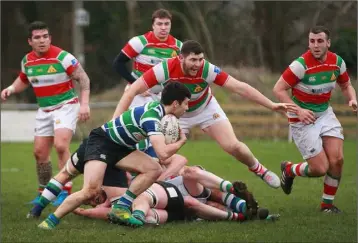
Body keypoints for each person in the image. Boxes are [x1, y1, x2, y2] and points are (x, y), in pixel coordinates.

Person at [112, 40, 298, 189]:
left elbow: (239, 87)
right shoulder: (166, 68)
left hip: (206, 109)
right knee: (157, 156)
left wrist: (271, 105)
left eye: (200, 59)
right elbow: (131, 90)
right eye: (193, 60)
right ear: (180, 58)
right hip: (175, 115)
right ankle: (135, 187)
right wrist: (115, 123)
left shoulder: (207, 70)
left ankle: (259, 170)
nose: (197, 64)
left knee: (233, 146)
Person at [37, 81, 191, 229]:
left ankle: (121, 206)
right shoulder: (152, 117)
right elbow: (163, 154)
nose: (187, 108)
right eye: (185, 103)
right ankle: (50, 221)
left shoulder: (158, 110)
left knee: (154, 169)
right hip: (102, 143)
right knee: (90, 190)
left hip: (120, 147)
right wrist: (181, 142)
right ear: (175, 104)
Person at [1, 21, 90, 205]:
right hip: (44, 110)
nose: (42, 40)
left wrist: (84, 104)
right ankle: (44, 192)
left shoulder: (63, 58)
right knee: (39, 153)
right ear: (30, 41)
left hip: (66, 107)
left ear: (50, 38)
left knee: (61, 146)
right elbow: (24, 80)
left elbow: (83, 78)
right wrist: (10, 89)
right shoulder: (27, 61)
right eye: (37, 37)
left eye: (45, 36)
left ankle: (64, 190)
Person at [273, 26, 357, 213]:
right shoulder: (300, 65)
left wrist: (352, 98)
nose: (315, 45)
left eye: (320, 41)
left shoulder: (337, 62)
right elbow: (278, 90)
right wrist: (299, 110)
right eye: (312, 41)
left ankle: (327, 205)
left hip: (325, 114)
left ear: (328, 43)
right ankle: (290, 170)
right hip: (301, 119)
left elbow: (346, 85)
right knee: (319, 168)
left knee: (337, 160)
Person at [113, 8, 182, 108]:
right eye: (159, 24)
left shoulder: (178, 46)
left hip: (162, 94)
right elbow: (118, 64)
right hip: (139, 94)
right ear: (153, 25)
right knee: (142, 122)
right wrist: (136, 86)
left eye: (166, 24)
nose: (163, 27)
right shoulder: (140, 42)